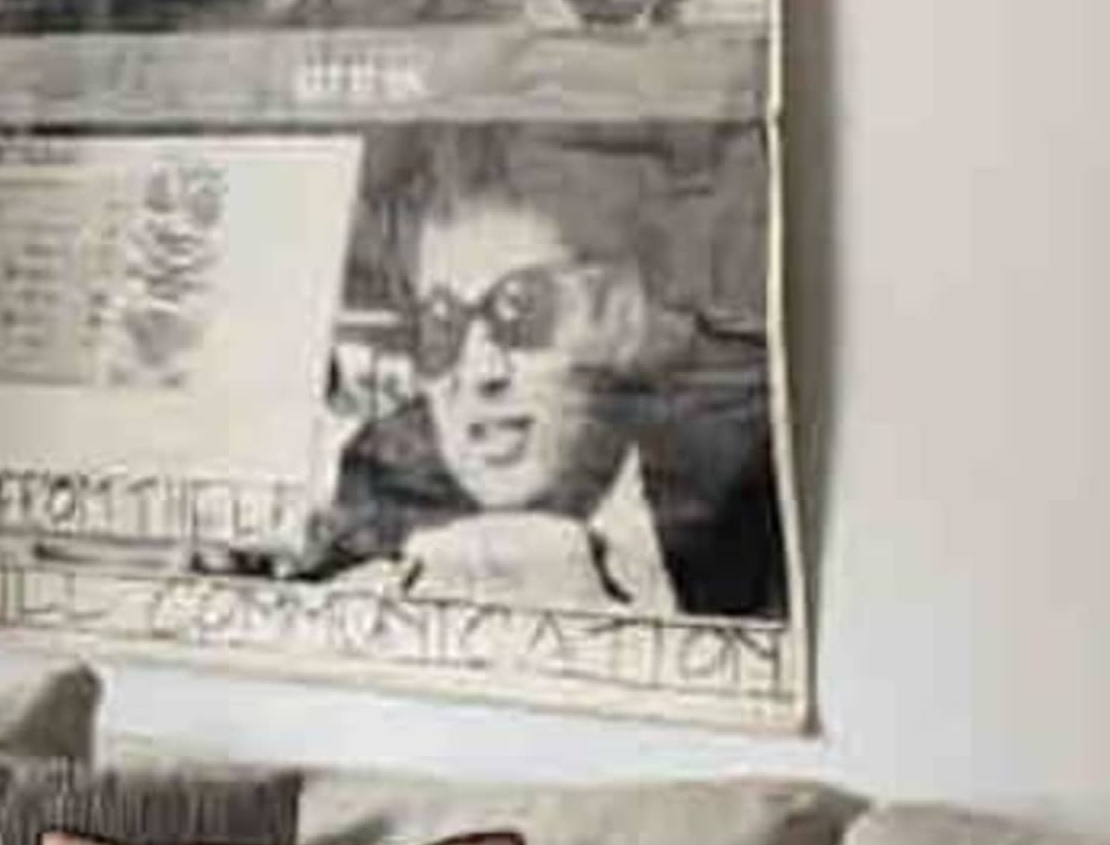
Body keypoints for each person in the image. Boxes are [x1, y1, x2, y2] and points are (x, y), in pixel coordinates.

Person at [323, 128, 785, 621]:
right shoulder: (378, 482)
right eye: (442, 327)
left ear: (617, 310)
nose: (480, 372)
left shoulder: (735, 496)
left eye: (521, 309)